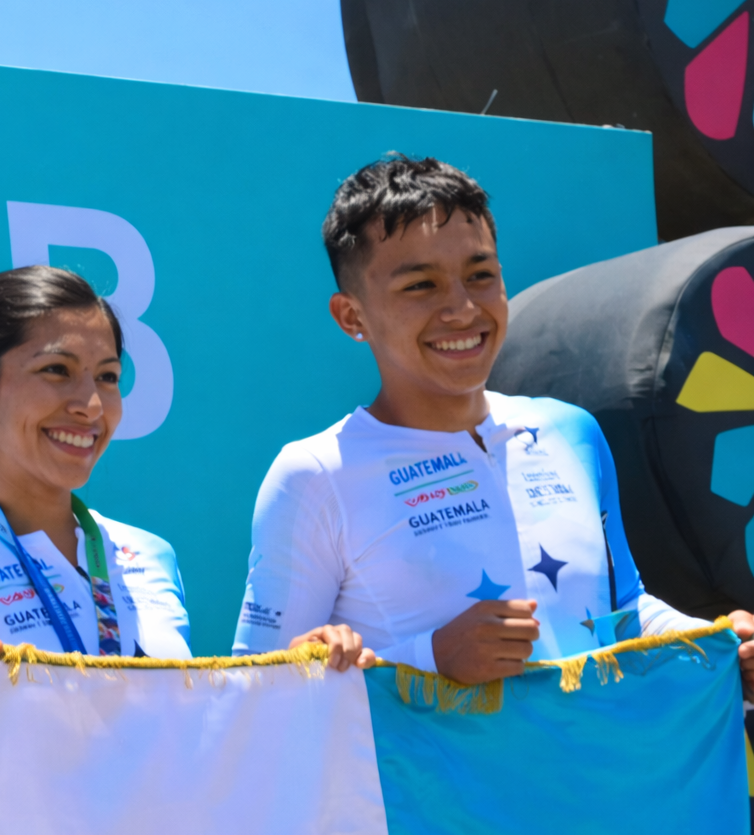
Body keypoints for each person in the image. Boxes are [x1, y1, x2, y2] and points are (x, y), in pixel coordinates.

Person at [233, 154, 754, 693]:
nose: (462, 309)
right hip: (419, 781)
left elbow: (620, 610)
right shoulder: (314, 475)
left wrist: (714, 643)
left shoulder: (570, 431)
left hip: (589, 776)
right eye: (421, 286)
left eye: (480, 276)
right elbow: (254, 691)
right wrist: (430, 657)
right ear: (351, 316)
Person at [0, 265, 366, 672]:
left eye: (107, 377)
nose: (90, 405)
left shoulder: (150, 557)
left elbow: (199, 747)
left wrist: (301, 672)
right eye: (56, 371)